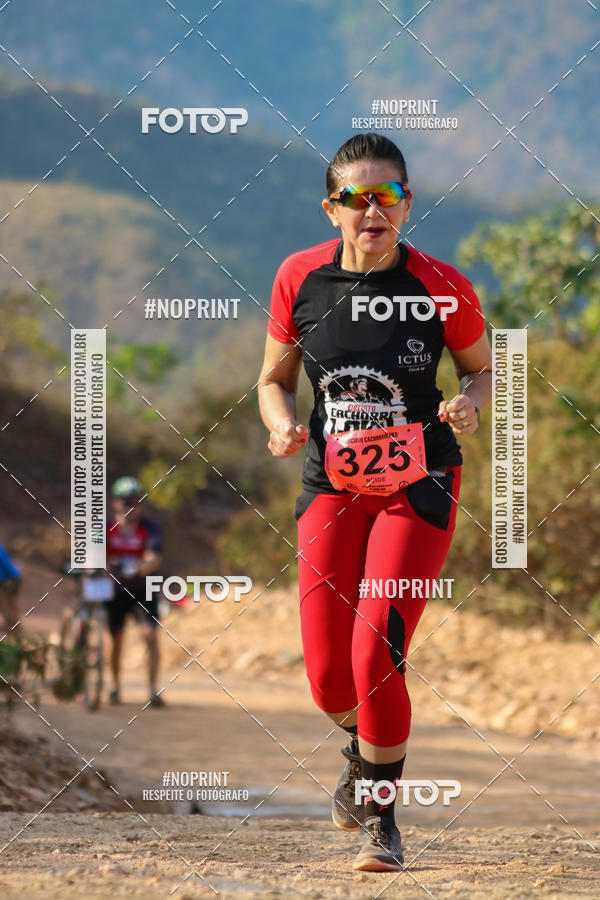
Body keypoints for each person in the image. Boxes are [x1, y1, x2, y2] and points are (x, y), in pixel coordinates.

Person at [258, 133, 492, 872]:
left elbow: (485, 370)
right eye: (356, 198)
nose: (372, 210)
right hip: (331, 487)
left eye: (386, 196)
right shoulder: (299, 278)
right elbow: (273, 379)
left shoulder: (440, 286)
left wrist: (469, 404)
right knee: (330, 677)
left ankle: (381, 822)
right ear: (332, 209)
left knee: (376, 656)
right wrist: (282, 425)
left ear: (406, 204)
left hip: (416, 489)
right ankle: (363, 760)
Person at [105, 476, 165, 707]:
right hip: (115, 590)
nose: (132, 506)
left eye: (136, 501)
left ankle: (152, 690)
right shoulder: (103, 526)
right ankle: (114, 686)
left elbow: (153, 557)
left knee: (151, 635)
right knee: (116, 639)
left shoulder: (151, 528)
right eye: (126, 501)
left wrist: (141, 567)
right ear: (116, 503)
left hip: (143, 587)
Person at [0, 541, 22, 637]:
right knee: (7, 604)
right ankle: (12, 627)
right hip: (8, 578)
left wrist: (14, 577)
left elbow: (6, 564)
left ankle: (14, 629)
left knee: (7, 604)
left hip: (7, 580)